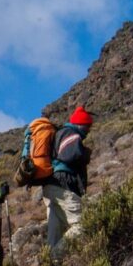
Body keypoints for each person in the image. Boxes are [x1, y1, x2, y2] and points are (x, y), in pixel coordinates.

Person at [43, 105, 93, 255]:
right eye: (88, 126)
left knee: (54, 234)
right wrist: (85, 153)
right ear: (82, 125)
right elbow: (71, 155)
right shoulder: (72, 133)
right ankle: (53, 258)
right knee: (83, 224)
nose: (89, 130)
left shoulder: (59, 133)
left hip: (49, 186)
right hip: (63, 185)